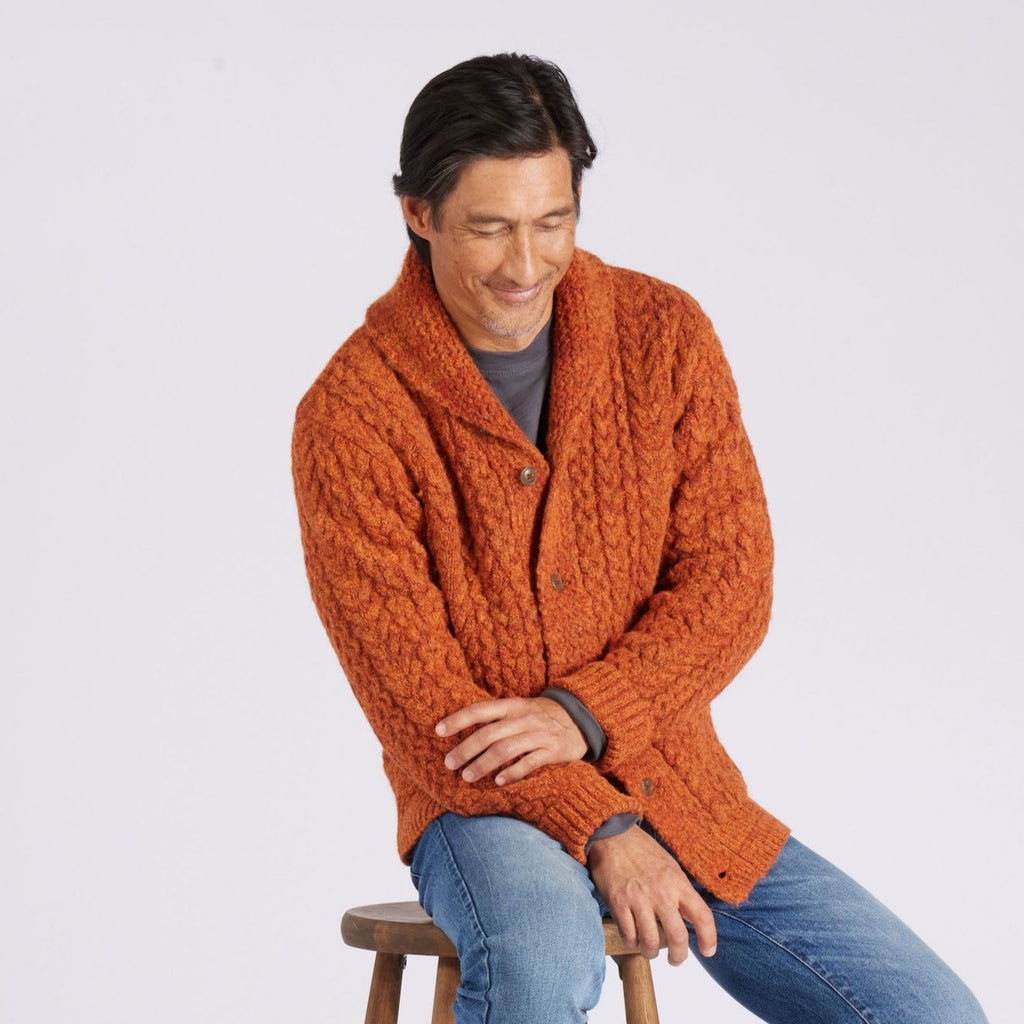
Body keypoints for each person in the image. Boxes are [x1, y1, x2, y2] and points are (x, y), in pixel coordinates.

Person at [292, 53, 987, 1024]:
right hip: (478, 803)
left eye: (552, 222)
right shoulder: (352, 414)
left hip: (676, 779)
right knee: (540, 967)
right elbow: (422, 705)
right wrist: (603, 825)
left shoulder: (662, 335)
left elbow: (730, 585)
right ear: (419, 213)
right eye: (489, 228)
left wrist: (583, 713)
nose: (524, 266)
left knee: (932, 1014)